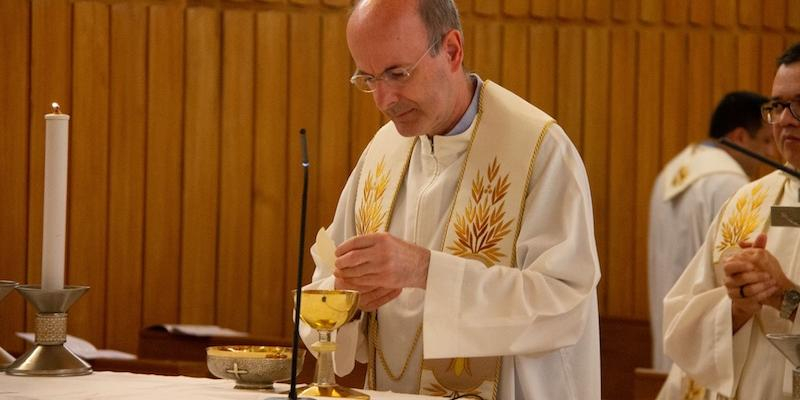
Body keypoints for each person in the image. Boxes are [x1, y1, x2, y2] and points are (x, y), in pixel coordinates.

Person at [298, 0, 601, 399]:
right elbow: (327, 282)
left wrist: (425, 270)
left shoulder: (538, 150)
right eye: (368, 79)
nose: (383, 99)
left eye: (397, 73)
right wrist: (350, 297)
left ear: (452, 50)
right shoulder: (382, 152)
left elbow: (565, 304)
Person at [662, 42, 800, 399]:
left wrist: (785, 296)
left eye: (799, 104)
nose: (785, 119)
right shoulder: (746, 203)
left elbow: (786, 299)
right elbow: (682, 326)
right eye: (778, 106)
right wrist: (736, 308)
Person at [648, 91, 773, 374]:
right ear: (740, 137)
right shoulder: (730, 184)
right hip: (710, 341)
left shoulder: (671, 172)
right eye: (766, 141)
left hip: (672, 325)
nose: (770, 153)